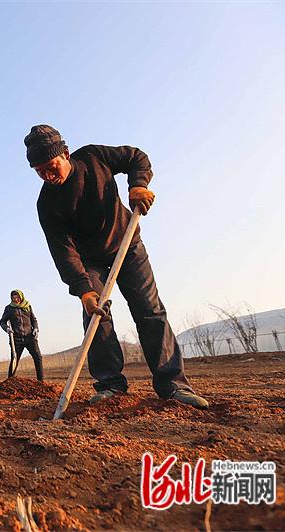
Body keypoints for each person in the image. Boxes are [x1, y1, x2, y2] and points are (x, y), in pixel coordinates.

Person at [23, 124, 208, 409]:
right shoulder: (47, 203)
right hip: (91, 262)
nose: (47, 176)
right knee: (96, 315)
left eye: (51, 166)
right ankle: (110, 386)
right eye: (39, 172)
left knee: (149, 310)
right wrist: (84, 290)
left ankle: (173, 384)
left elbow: (136, 157)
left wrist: (138, 184)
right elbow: (63, 252)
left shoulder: (94, 157)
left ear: (66, 154)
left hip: (127, 244)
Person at [0, 289, 44, 380]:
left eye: (17, 297)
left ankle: (41, 381)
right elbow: (2, 321)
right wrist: (7, 329)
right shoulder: (9, 308)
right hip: (16, 339)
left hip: (30, 337)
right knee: (14, 360)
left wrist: (35, 328)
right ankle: (9, 382)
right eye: (13, 297)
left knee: (38, 357)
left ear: (21, 297)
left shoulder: (28, 306)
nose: (16, 299)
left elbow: (34, 320)